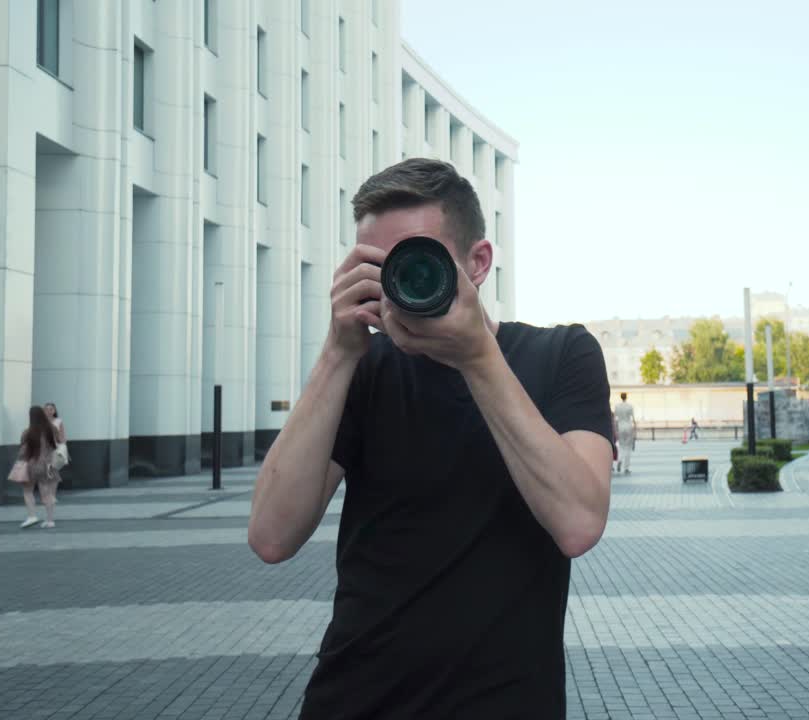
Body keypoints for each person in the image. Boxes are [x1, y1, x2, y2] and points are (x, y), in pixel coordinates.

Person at [248, 158, 614, 719]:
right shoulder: (361, 369)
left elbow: (578, 523)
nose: (403, 281)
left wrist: (476, 358)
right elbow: (272, 537)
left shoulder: (562, 355)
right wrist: (338, 351)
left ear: (479, 261)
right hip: (353, 700)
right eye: (381, 266)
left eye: (419, 261)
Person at [8, 406, 60, 529]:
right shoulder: (52, 429)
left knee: (27, 491)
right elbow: (55, 446)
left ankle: (32, 516)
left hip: (31, 465)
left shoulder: (27, 432)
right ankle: (50, 520)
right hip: (48, 465)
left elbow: (22, 452)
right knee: (47, 494)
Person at [44, 403, 70, 479]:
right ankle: (49, 470)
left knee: (62, 453)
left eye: (51, 409)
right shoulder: (42, 421)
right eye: (47, 409)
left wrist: (63, 444)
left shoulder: (58, 421)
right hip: (46, 444)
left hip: (57, 443)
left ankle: (51, 469)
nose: (49, 411)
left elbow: (62, 434)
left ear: (54, 411)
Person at [614, 392, 636, 475]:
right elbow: (633, 419)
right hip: (628, 426)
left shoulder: (617, 406)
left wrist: (615, 430)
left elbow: (615, 419)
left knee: (622, 446)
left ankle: (620, 460)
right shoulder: (630, 406)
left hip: (620, 426)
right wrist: (635, 431)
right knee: (628, 448)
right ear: (626, 397)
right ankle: (626, 467)